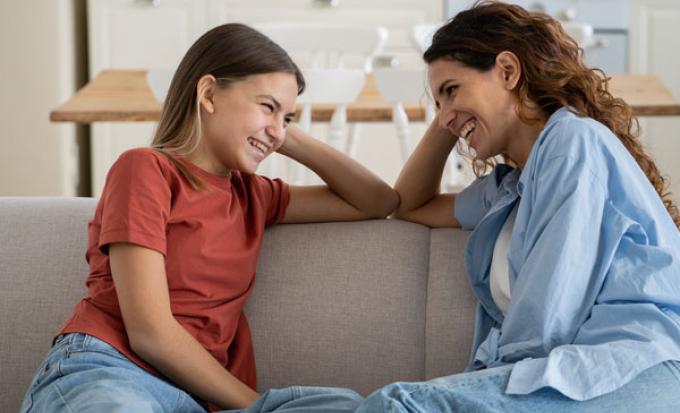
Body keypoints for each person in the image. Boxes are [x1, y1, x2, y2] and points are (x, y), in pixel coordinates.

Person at [19, 23, 397, 413]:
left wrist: (282, 131)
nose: (278, 132)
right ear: (209, 94)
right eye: (267, 105)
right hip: (113, 370)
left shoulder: (254, 196)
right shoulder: (146, 170)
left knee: (350, 406)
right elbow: (151, 333)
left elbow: (377, 200)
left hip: (195, 398)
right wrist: (258, 407)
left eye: (288, 117)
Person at [355, 1, 680, 412]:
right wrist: (452, 115)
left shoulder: (572, 144)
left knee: (397, 405)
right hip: (570, 375)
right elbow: (408, 205)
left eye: (452, 88)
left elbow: (548, 315)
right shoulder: (508, 190)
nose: (444, 116)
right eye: (438, 101)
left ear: (508, 71)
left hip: (634, 367)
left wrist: (477, 386)